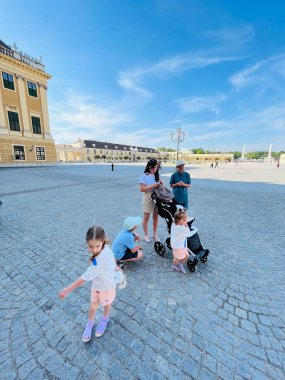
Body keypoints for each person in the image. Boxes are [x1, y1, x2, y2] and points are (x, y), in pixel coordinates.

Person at [58, 226, 120, 342]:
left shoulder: (101, 259)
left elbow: (84, 278)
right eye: (91, 246)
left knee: (107, 305)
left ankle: (105, 319)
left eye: (97, 246)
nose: (95, 249)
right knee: (92, 307)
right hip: (97, 286)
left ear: (103, 241)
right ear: (86, 243)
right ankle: (90, 324)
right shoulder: (104, 247)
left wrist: (67, 290)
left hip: (107, 287)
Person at [139, 159, 163, 242]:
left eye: (156, 167)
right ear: (149, 167)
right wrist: (153, 185)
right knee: (146, 218)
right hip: (148, 197)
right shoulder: (144, 175)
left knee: (156, 217)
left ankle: (155, 234)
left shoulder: (157, 175)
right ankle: (146, 234)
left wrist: (161, 184)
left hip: (157, 197)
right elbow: (142, 189)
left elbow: (161, 188)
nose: (154, 169)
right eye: (152, 167)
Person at [170, 209, 190, 274]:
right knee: (178, 258)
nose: (186, 221)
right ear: (178, 220)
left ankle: (180, 264)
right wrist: (186, 225)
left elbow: (178, 218)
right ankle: (174, 265)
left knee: (186, 255)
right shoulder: (181, 228)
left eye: (186, 220)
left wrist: (183, 219)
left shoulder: (174, 223)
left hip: (182, 244)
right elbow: (188, 233)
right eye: (184, 220)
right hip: (178, 246)